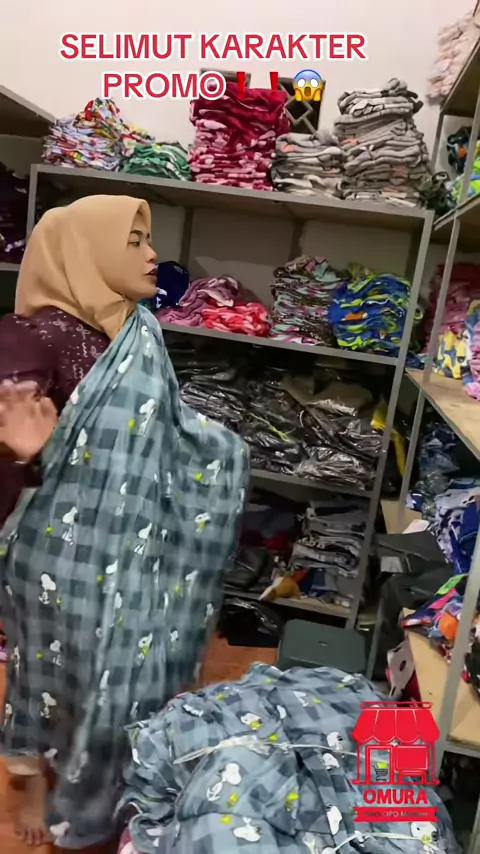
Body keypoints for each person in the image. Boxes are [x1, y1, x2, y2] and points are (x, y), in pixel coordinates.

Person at [0, 195, 249, 848]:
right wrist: (16, 451)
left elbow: (164, 427)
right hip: (60, 556)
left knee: (131, 673)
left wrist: (223, 451)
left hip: (133, 541)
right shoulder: (34, 336)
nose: (151, 255)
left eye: (148, 239)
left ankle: (116, 787)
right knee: (54, 677)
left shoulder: (139, 330)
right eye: (134, 241)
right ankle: (37, 783)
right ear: (85, 250)